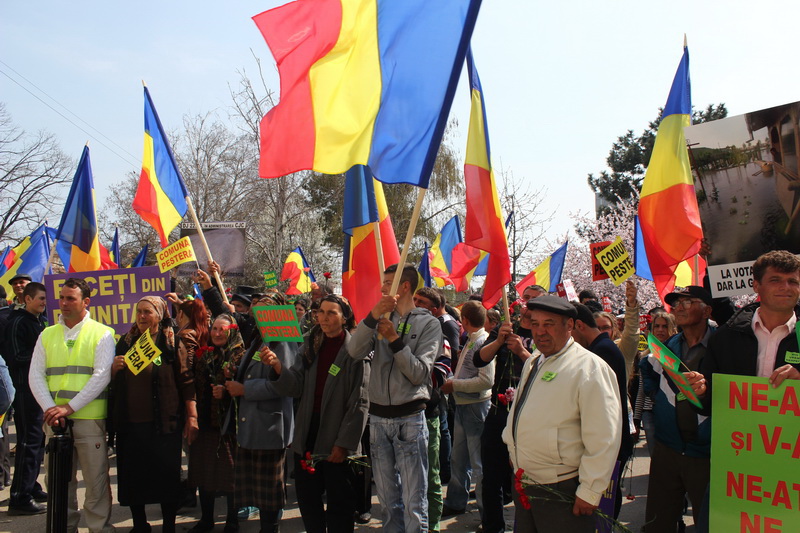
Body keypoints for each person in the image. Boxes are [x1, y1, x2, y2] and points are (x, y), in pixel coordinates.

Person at [502, 295, 620, 533]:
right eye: (535, 324)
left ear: (569, 326)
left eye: (549, 324)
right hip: (526, 482)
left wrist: (590, 490)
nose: (540, 331)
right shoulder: (534, 361)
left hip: (562, 487)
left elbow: (604, 436)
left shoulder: (590, 368)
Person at [348, 263, 441, 533]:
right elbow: (353, 352)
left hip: (409, 419)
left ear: (405, 286)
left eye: (388, 282)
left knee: (414, 499)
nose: (382, 288)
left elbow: (419, 373)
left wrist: (393, 339)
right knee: (388, 501)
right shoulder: (379, 318)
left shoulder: (429, 324)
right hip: (377, 419)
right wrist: (372, 317)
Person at [267, 294, 368, 532]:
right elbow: (295, 385)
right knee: (308, 499)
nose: (323, 318)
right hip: (307, 434)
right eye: (320, 312)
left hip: (337, 436)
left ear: (345, 318)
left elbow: (359, 401)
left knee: (340, 504)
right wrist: (277, 367)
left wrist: (343, 444)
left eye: (331, 313)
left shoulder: (355, 352)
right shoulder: (309, 346)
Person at [29, 277, 115, 533]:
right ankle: (63, 528)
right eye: (62, 297)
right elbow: (35, 375)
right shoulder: (47, 334)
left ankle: (99, 529)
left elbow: (101, 376)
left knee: (95, 481)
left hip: (89, 420)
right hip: (55, 422)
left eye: (70, 298)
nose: (63, 303)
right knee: (58, 481)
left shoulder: (102, 333)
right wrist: (51, 409)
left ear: (85, 302)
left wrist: (69, 407)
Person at [110, 296, 194, 533]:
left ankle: (169, 525)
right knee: (133, 479)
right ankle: (140, 525)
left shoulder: (170, 343)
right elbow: (113, 383)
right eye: (139, 312)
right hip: (130, 425)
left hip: (163, 425)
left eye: (148, 312)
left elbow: (186, 382)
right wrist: (114, 370)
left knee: (166, 479)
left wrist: (192, 416)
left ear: (160, 314)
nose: (142, 316)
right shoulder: (125, 343)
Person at [218, 293, 297, 533]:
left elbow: (287, 385)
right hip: (252, 425)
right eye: (256, 310)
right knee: (258, 493)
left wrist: (244, 388)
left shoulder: (283, 341)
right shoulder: (258, 338)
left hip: (269, 427)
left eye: (264, 310)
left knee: (269, 495)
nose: (257, 314)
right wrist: (235, 375)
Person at [640, 285, 715, 532]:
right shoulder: (667, 347)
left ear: (707, 311)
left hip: (706, 453)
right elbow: (648, 371)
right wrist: (657, 398)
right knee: (657, 523)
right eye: (676, 304)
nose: (679, 308)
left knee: (708, 523)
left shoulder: (724, 343)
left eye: (688, 302)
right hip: (667, 447)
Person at [473, 288, 541, 533]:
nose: (528, 303)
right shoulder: (506, 328)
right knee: (491, 476)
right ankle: (493, 526)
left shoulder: (543, 333)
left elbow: (546, 371)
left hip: (530, 416)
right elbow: (478, 359)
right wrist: (499, 341)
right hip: (498, 411)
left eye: (535, 299)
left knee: (525, 477)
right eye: (526, 298)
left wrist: (522, 351)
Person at [698, 250, 800, 406]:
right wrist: (700, 392)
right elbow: (709, 405)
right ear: (756, 286)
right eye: (775, 280)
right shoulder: (725, 338)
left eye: (792, 281)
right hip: (738, 430)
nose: (785, 287)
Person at [571, 303, 631, 519]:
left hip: (609, 442)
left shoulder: (602, 351)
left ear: (579, 325)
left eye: (569, 330)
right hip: (611, 439)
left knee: (604, 506)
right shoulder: (600, 347)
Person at [189, 314, 244, 532]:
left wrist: (228, 391)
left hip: (230, 426)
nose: (218, 334)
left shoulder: (241, 355)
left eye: (223, 329)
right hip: (206, 425)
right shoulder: (204, 356)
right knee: (205, 474)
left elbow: (247, 388)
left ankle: (232, 519)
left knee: (230, 475)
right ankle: (206, 519)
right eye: (214, 329)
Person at [441, 301, 492, 521]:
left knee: (478, 465)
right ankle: (455, 501)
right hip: (464, 406)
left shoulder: (482, 342)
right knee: (458, 459)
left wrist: (454, 385)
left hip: (475, 407)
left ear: (465, 321)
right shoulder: (474, 339)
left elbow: (486, 381)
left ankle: (487, 514)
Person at [4, 282, 48, 514]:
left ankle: (31, 486)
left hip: (37, 390)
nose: (44, 302)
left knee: (36, 442)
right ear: (27, 299)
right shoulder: (18, 322)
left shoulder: (38, 321)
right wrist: (43, 356)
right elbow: (16, 356)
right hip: (24, 389)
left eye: (45, 299)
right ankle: (19, 497)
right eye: (40, 298)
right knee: (27, 441)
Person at [634, 312, 677, 457]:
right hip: (649, 413)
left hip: (672, 412)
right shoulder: (645, 357)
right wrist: (636, 419)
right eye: (656, 326)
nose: (660, 330)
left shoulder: (678, 354)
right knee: (656, 456)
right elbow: (641, 390)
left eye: (665, 326)